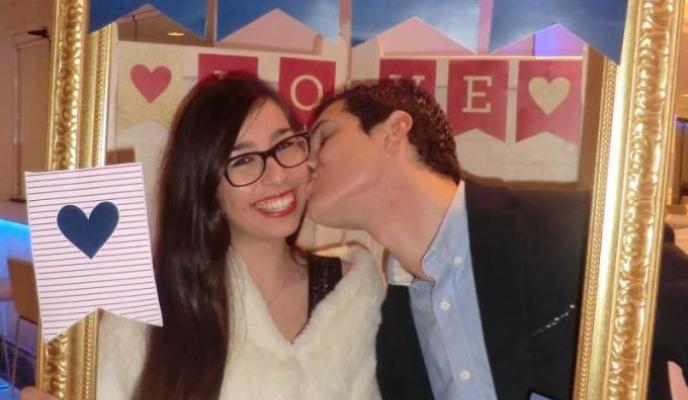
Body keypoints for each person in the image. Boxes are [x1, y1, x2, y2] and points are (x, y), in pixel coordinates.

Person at [306, 80, 688, 400]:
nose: (308, 162)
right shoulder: (389, 332)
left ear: (394, 129)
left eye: (323, 138)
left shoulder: (575, 227)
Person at [22, 74, 384, 400]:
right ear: (205, 186)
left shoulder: (352, 295)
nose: (276, 175)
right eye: (242, 160)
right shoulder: (147, 320)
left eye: (285, 144)